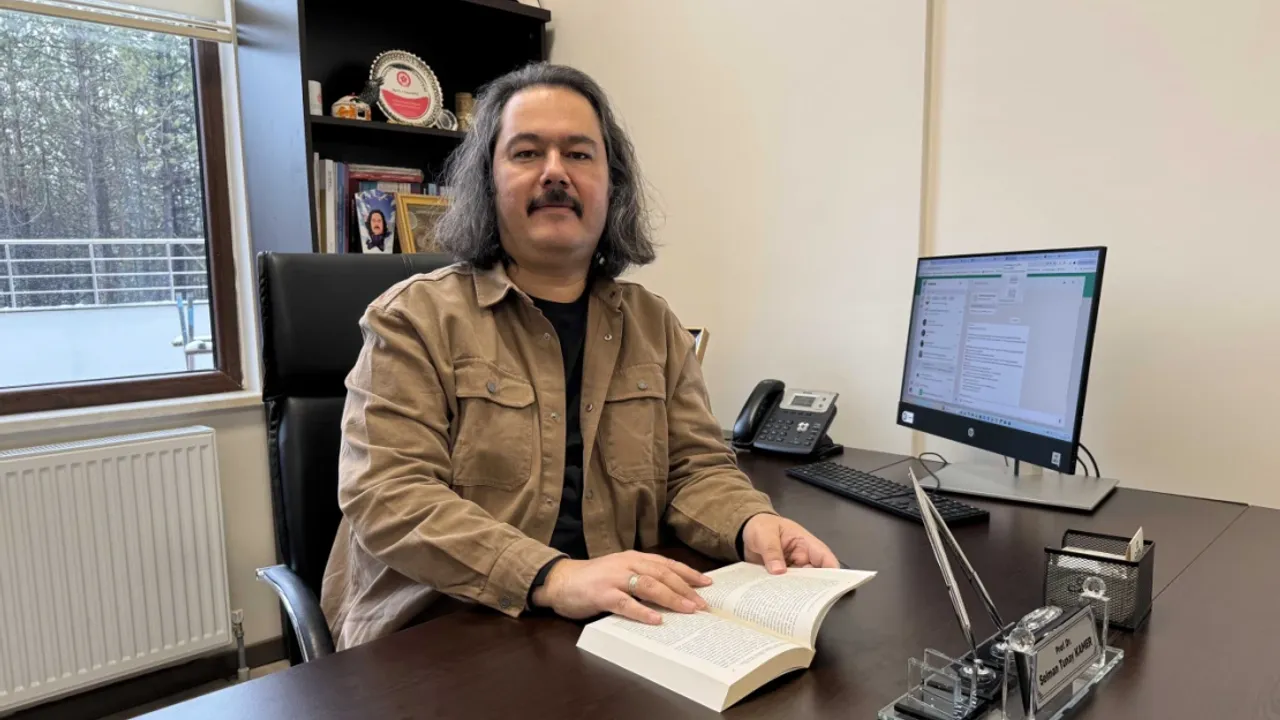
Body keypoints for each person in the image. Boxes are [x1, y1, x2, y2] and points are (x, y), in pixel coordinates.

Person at [320, 63, 840, 650]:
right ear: (488, 182)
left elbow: (695, 469)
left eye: (579, 154)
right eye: (526, 153)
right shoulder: (413, 319)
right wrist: (552, 576)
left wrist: (752, 522)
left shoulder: (654, 326)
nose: (554, 172)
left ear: (611, 185)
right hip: (442, 626)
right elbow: (389, 494)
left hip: (614, 621)